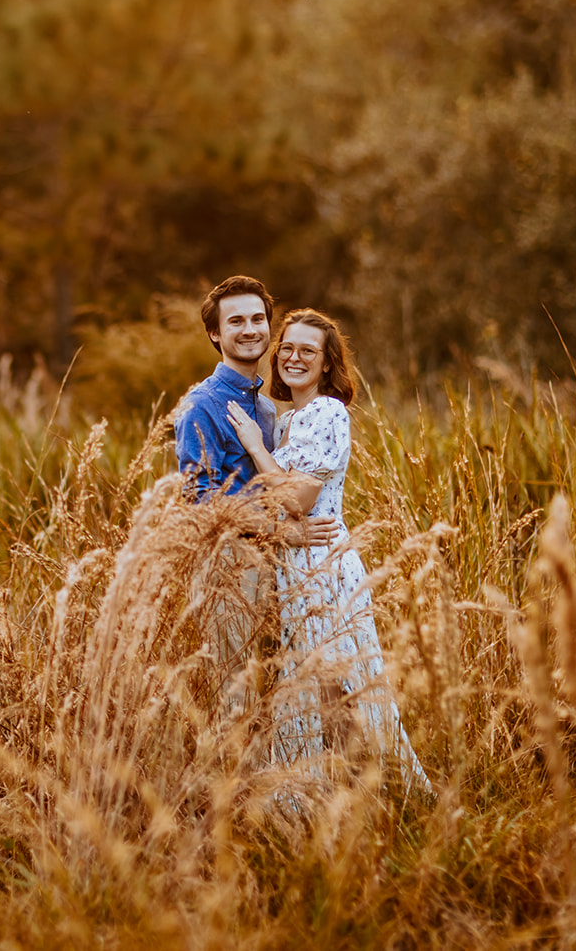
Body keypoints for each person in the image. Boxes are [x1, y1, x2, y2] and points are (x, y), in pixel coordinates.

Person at [225, 308, 430, 792]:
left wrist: (256, 447)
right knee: (310, 680)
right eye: (288, 349)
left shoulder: (326, 412)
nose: (294, 358)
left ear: (326, 363)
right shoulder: (290, 417)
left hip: (323, 560)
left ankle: (372, 789)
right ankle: (331, 789)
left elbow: (297, 499)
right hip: (294, 560)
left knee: (334, 682)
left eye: (308, 351)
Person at [174, 277, 338, 716]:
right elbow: (199, 500)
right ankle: (236, 787)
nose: (250, 329)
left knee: (279, 698)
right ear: (215, 334)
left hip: (279, 569)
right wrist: (284, 531)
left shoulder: (267, 409)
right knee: (239, 698)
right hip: (230, 569)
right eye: (236, 321)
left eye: (258, 319)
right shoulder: (202, 405)